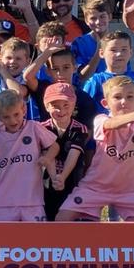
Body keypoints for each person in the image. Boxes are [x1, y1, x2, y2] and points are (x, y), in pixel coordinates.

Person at [55, 76, 134, 222]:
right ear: (105, 103)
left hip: (130, 192)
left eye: (129, 97)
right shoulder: (100, 119)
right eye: (117, 97)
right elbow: (110, 124)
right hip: (94, 189)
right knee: (62, 218)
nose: (124, 102)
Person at [0, 90, 58, 221]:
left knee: (36, 239)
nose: (13, 120)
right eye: (6, 117)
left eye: (16, 114)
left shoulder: (34, 127)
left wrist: (47, 158)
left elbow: (54, 145)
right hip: (2, 201)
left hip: (32, 200)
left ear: (24, 109)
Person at [39, 82, 90, 221]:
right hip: (49, 180)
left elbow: (74, 155)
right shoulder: (41, 128)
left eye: (66, 105)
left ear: (73, 105)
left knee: (70, 217)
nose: (61, 111)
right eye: (55, 106)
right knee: (49, 213)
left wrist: (62, 177)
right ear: (47, 106)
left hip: (72, 178)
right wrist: (55, 178)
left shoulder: (80, 129)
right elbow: (47, 154)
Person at [81, 31, 134, 112]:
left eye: (124, 49)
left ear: (131, 52)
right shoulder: (95, 81)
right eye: (113, 50)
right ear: (101, 53)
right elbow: (84, 107)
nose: (119, 54)